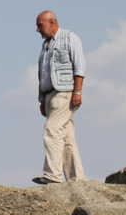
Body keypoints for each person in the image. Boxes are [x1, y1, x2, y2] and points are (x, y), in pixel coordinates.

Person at [33, 10, 87, 184]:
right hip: (50, 96)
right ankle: (76, 179)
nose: (37, 30)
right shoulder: (46, 45)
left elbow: (79, 66)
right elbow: (43, 73)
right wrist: (42, 100)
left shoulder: (70, 38)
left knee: (52, 130)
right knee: (66, 137)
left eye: (40, 25)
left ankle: (52, 176)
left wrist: (77, 91)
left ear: (51, 23)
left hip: (64, 93)